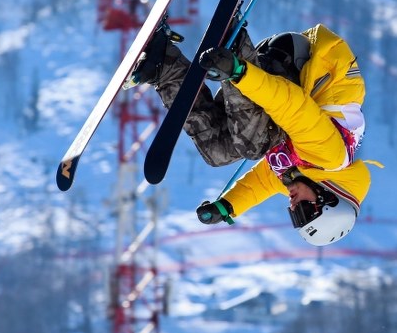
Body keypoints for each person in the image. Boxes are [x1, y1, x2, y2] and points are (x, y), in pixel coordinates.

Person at [129, 19, 376, 246]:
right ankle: (234, 44)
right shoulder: (328, 156)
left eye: (294, 215)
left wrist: (227, 207)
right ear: (327, 198)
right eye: (303, 211)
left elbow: (260, 184)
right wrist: (240, 72)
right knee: (253, 146)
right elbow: (291, 105)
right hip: (301, 59)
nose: (292, 205)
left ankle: (163, 65)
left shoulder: (299, 176)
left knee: (219, 152)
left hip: (280, 75)